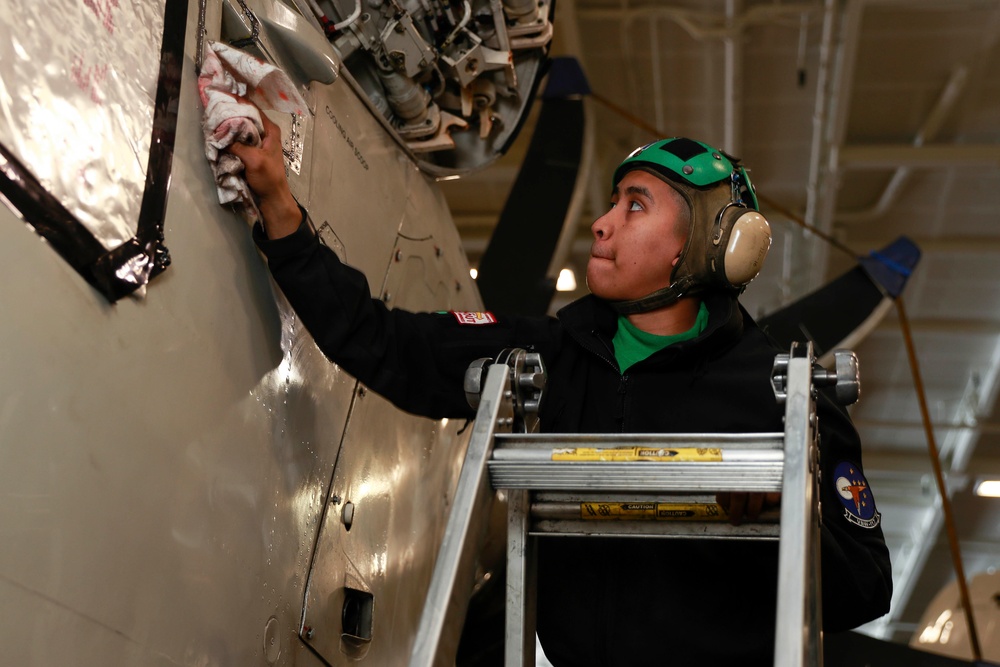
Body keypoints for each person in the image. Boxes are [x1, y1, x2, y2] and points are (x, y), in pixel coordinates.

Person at [229, 118, 892, 665]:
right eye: (611, 203)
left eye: (634, 206)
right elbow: (381, 341)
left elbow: (864, 584)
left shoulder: (783, 395)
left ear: (713, 245)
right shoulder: (546, 357)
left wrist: (754, 510)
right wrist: (281, 209)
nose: (602, 224)